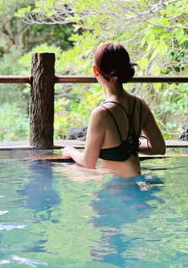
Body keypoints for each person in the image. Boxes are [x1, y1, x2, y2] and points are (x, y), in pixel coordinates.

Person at [61, 43, 166, 178]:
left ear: (95, 71)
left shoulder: (101, 113)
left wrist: (71, 152)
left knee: (69, 172)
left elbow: (88, 163)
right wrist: (128, 144)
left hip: (117, 193)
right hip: (138, 187)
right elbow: (159, 148)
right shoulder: (140, 104)